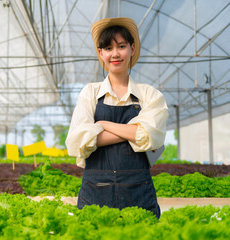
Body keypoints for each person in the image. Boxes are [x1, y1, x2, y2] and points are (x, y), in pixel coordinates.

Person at [65, 17, 168, 218]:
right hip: (95, 190)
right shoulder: (90, 93)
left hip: (138, 191)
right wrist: (131, 131)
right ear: (100, 52)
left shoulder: (150, 95)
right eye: (108, 48)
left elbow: (148, 136)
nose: (115, 54)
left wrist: (103, 125)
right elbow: (78, 140)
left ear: (132, 48)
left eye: (121, 46)